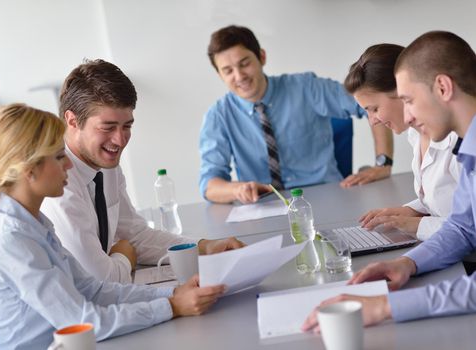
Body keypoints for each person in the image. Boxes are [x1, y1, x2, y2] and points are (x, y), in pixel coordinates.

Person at [0, 104, 225, 349]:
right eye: (59, 155)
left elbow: (93, 289)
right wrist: (171, 307)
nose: (68, 164)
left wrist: (174, 293)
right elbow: (82, 321)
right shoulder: (11, 239)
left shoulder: (35, 223)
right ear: (30, 169)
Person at [302, 30, 476, 331]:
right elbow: (463, 228)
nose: (407, 118)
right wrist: (406, 264)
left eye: (408, 99)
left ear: (443, 88)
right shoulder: (469, 148)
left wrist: (385, 306)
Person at [41, 59, 244, 284]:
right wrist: (125, 254)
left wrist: (204, 247)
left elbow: (134, 235)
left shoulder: (105, 165)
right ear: (72, 120)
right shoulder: (58, 185)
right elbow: (99, 279)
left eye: (127, 126)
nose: (120, 140)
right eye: (108, 127)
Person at [199, 25, 394, 204]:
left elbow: (372, 104)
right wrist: (237, 189)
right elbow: (209, 184)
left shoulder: (307, 87)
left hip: (327, 198)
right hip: (265, 206)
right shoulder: (218, 116)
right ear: (219, 75)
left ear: (262, 57)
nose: (239, 76)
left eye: (244, 63)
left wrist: (383, 163)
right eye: (228, 70)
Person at [344, 43, 460, 240]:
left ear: (402, 90)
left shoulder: (459, 137)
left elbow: (469, 225)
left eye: (374, 109)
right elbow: (445, 199)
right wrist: (409, 211)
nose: (372, 121)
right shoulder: (415, 134)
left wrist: (418, 225)